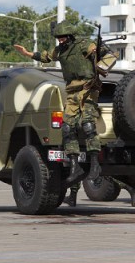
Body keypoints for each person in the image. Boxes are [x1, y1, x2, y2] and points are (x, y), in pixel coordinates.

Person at [14, 21, 106, 186]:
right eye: (59, 38)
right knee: (67, 127)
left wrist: (97, 57)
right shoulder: (59, 51)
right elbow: (45, 57)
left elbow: (104, 55)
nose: (61, 41)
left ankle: (95, 166)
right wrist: (27, 53)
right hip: (72, 92)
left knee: (88, 125)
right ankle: (74, 166)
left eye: (63, 37)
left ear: (70, 36)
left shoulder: (83, 45)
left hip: (88, 89)